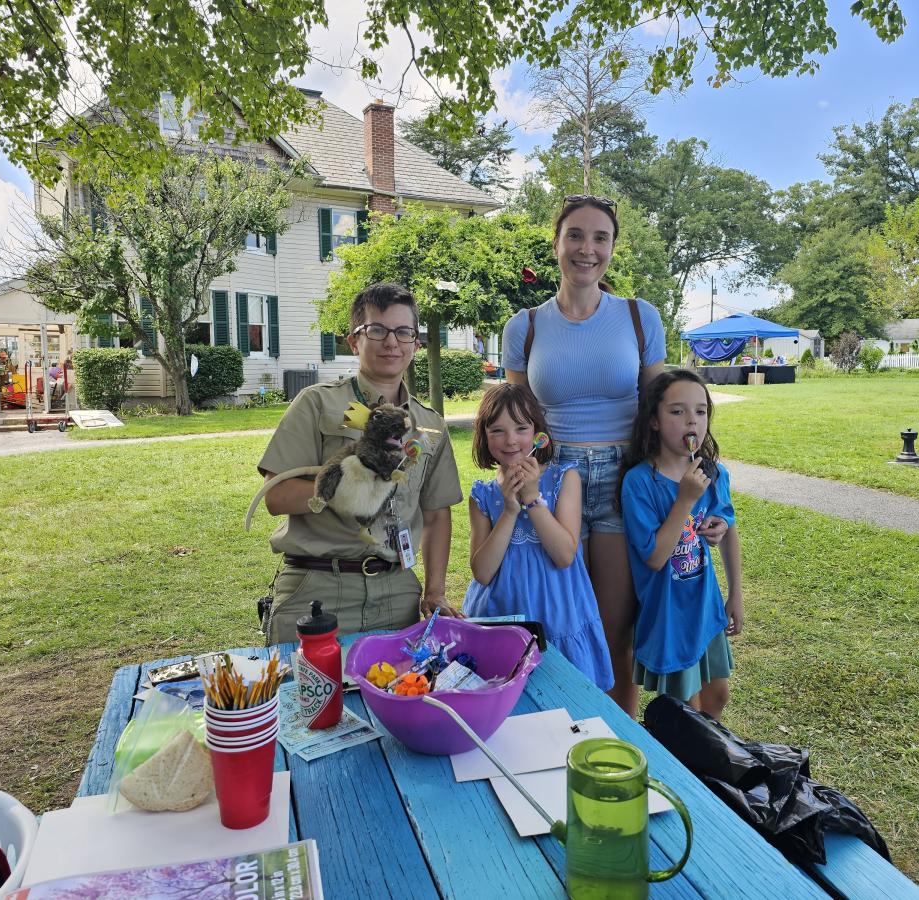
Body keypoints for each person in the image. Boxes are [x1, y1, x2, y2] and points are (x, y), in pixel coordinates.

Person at [502, 194, 669, 716]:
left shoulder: (641, 318)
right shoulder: (523, 327)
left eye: (600, 237)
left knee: (615, 629)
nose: (587, 248)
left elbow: (663, 414)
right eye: (575, 234)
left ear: (614, 247)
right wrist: (519, 490)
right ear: (556, 243)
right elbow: (515, 425)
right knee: (558, 623)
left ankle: (618, 745)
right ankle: (559, 733)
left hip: (624, 482)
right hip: (554, 483)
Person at [257, 282, 463, 643]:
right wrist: (347, 485)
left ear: (417, 343)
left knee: (397, 693)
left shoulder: (429, 425)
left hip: (398, 591)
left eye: (404, 332)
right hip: (318, 588)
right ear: (354, 341)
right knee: (308, 698)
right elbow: (276, 497)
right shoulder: (317, 404)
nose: (391, 342)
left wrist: (435, 591)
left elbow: (437, 514)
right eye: (377, 330)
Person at [463, 384, 614, 690]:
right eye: (497, 431)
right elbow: (482, 571)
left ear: (538, 433)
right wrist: (508, 511)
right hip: (501, 616)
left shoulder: (564, 478)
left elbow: (564, 555)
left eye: (521, 428)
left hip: (558, 612)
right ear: (484, 436)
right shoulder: (482, 495)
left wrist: (532, 498)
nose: (511, 440)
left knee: (565, 693)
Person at [619, 370, 743, 718]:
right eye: (677, 411)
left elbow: (728, 529)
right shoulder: (640, 482)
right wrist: (685, 500)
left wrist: (736, 594)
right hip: (669, 617)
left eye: (701, 411)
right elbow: (656, 557)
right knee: (687, 712)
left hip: (705, 609)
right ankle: (687, 770)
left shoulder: (712, 473)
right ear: (654, 421)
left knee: (717, 696)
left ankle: (706, 764)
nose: (692, 420)